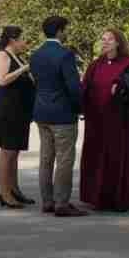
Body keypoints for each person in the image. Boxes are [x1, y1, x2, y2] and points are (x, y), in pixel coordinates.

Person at [80, 29, 129, 211]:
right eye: (103, 39)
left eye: (109, 39)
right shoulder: (95, 65)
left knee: (117, 158)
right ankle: (97, 198)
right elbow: (85, 87)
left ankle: (120, 199)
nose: (105, 43)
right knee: (97, 157)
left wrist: (122, 89)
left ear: (118, 42)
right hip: (96, 121)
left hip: (120, 121)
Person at [30, 15, 85, 216]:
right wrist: (80, 107)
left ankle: (47, 201)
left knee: (46, 158)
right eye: (65, 29)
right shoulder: (64, 55)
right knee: (64, 160)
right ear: (60, 30)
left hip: (42, 112)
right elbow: (73, 86)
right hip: (62, 114)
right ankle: (62, 203)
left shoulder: (35, 55)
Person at [0, 26, 36, 209]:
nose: (25, 42)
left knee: (15, 152)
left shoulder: (19, 57)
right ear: (12, 40)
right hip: (7, 110)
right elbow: (2, 80)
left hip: (20, 111)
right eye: (22, 39)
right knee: (7, 152)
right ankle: (4, 193)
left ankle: (14, 190)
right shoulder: (3, 56)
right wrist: (24, 69)